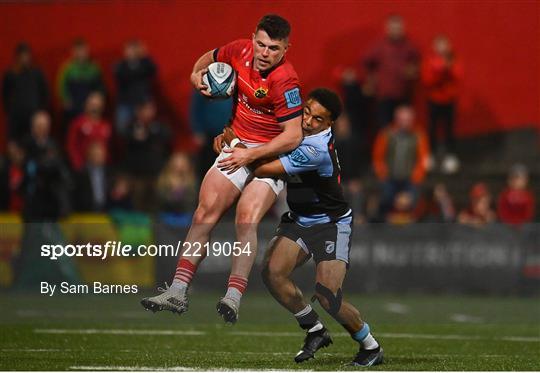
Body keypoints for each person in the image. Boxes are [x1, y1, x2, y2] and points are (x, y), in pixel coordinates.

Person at [141, 14, 303, 323]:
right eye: (261, 44)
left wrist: (250, 157)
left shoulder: (286, 80)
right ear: (252, 38)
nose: (265, 53)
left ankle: (233, 296)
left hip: (270, 157)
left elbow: (293, 136)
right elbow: (206, 60)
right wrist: (196, 78)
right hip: (237, 144)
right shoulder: (238, 51)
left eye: (273, 48)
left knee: (246, 219)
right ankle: (177, 291)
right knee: (204, 213)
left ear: (286, 49)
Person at [221, 88, 383, 366]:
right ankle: (314, 329)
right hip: (299, 218)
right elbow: (260, 137)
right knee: (272, 273)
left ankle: (370, 346)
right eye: (307, 111)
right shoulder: (295, 128)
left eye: (317, 119)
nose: (307, 121)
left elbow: (260, 167)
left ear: (329, 124)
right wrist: (232, 139)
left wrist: (235, 143)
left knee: (327, 296)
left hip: (330, 224)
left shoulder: (315, 149)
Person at [372, 105, 429, 218]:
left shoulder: (419, 135)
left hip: (410, 179)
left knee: (414, 200)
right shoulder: (386, 134)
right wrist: (382, 174)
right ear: (396, 119)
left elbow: (423, 159)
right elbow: (378, 157)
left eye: (408, 120)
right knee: (385, 199)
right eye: (402, 120)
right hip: (389, 178)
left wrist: (416, 177)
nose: (405, 123)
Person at [362, 14, 419, 128]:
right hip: (384, 95)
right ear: (387, 29)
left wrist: (412, 70)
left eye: (398, 28)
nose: (396, 31)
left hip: (403, 94)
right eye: (393, 28)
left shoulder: (409, 46)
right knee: (384, 127)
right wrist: (370, 81)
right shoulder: (379, 46)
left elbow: (417, 64)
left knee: (404, 127)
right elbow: (365, 62)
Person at [421, 34, 463, 173]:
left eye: (444, 44)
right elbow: (427, 80)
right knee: (432, 128)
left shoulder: (454, 59)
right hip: (434, 99)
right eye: (439, 44)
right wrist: (440, 72)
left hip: (450, 100)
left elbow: (459, 77)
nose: (442, 47)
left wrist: (448, 69)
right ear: (434, 47)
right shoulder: (429, 60)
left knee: (449, 129)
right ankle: (430, 156)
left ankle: (450, 157)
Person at [2, 42, 49, 142]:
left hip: (34, 116)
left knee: (34, 142)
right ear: (17, 57)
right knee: (15, 142)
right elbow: (5, 95)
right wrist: (10, 111)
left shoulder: (37, 73)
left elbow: (44, 93)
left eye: (26, 55)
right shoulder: (10, 74)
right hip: (16, 116)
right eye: (22, 56)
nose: (24, 58)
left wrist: (41, 111)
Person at [114, 39, 158, 135]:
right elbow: (121, 76)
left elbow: (153, 70)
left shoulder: (144, 63)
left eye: (133, 50)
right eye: (128, 49)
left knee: (146, 130)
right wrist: (136, 72)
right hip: (126, 102)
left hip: (143, 102)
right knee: (123, 129)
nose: (131, 52)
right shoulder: (121, 66)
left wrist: (145, 56)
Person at [57, 38, 105, 124]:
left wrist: (97, 100)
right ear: (74, 52)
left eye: (84, 51)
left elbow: (100, 87)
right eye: (78, 51)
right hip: (73, 105)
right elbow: (61, 85)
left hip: (90, 106)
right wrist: (65, 99)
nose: (81, 54)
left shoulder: (94, 68)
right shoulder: (67, 68)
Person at [66, 91, 111, 171]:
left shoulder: (105, 125)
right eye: (92, 105)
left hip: (102, 167)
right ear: (86, 105)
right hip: (83, 166)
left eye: (97, 105)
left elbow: (107, 147)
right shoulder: (78, 123)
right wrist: (77, 164)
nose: (94, 108)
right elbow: (71, 145)